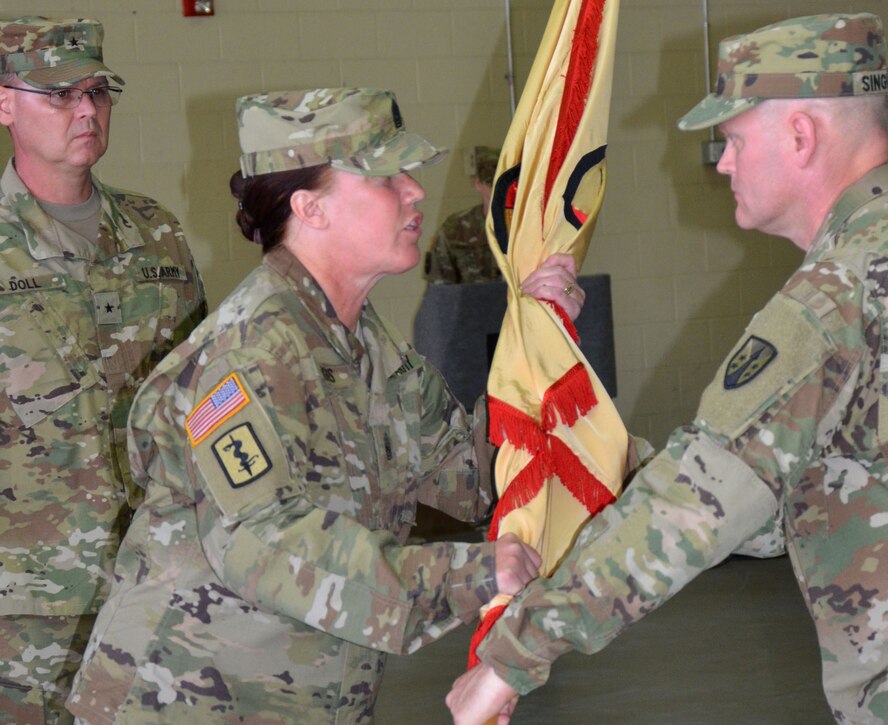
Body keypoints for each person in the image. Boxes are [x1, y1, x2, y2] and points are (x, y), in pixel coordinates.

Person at [446, 13, 888, 725]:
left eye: (732, 138)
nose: (721, 161)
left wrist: (513, 656)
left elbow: (698, 501)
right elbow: (780, 499)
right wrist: (602, 453)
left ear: (801, 136)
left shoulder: (844, 292)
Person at [66, 87, 586, 723]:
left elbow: (479, 478)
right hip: (183, 699)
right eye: (386, 176)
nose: (415, 191)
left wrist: (536, 342)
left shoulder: (365, 343)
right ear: (309, 208)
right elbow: (262, 544)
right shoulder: (251, 348)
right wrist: (467, 575)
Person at [0, 16, 207, 723]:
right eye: (59, 95)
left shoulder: (157, 232)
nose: (86, 110)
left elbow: (203, 398)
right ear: (4, 104)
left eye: (97, 91)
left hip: (157, 587)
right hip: (26, 612)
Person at [423, 145, 502, 284]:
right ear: (478, 184)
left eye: (504, 183)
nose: (500, 191)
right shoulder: (456, 229)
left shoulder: (533, 227)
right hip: (471, 304)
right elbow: (440, 290)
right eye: (492, 183)